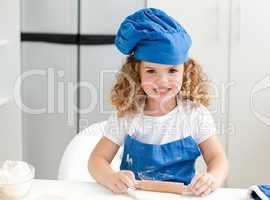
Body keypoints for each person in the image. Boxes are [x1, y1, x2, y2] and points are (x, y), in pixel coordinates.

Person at [88, 8, 229, 197]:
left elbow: (218, 159)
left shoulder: (195, 114)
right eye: (151, 71)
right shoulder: (128, 115)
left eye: (172, 71)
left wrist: (213, 177)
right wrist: (110, 178)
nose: (162, 81)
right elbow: (97, 160)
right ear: (135, 73)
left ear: (185, 71)